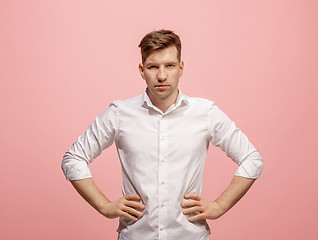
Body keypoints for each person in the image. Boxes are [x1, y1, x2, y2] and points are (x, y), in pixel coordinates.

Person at [61, 29, 264, 240]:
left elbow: (252, 159)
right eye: (153, 67)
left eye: (169, 65)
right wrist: (104, 206)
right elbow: (73, 159)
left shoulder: (206, 113)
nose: (161, 75)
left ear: (181, 67)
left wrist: (220, 206)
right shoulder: (119, 114)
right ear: (142, 69)